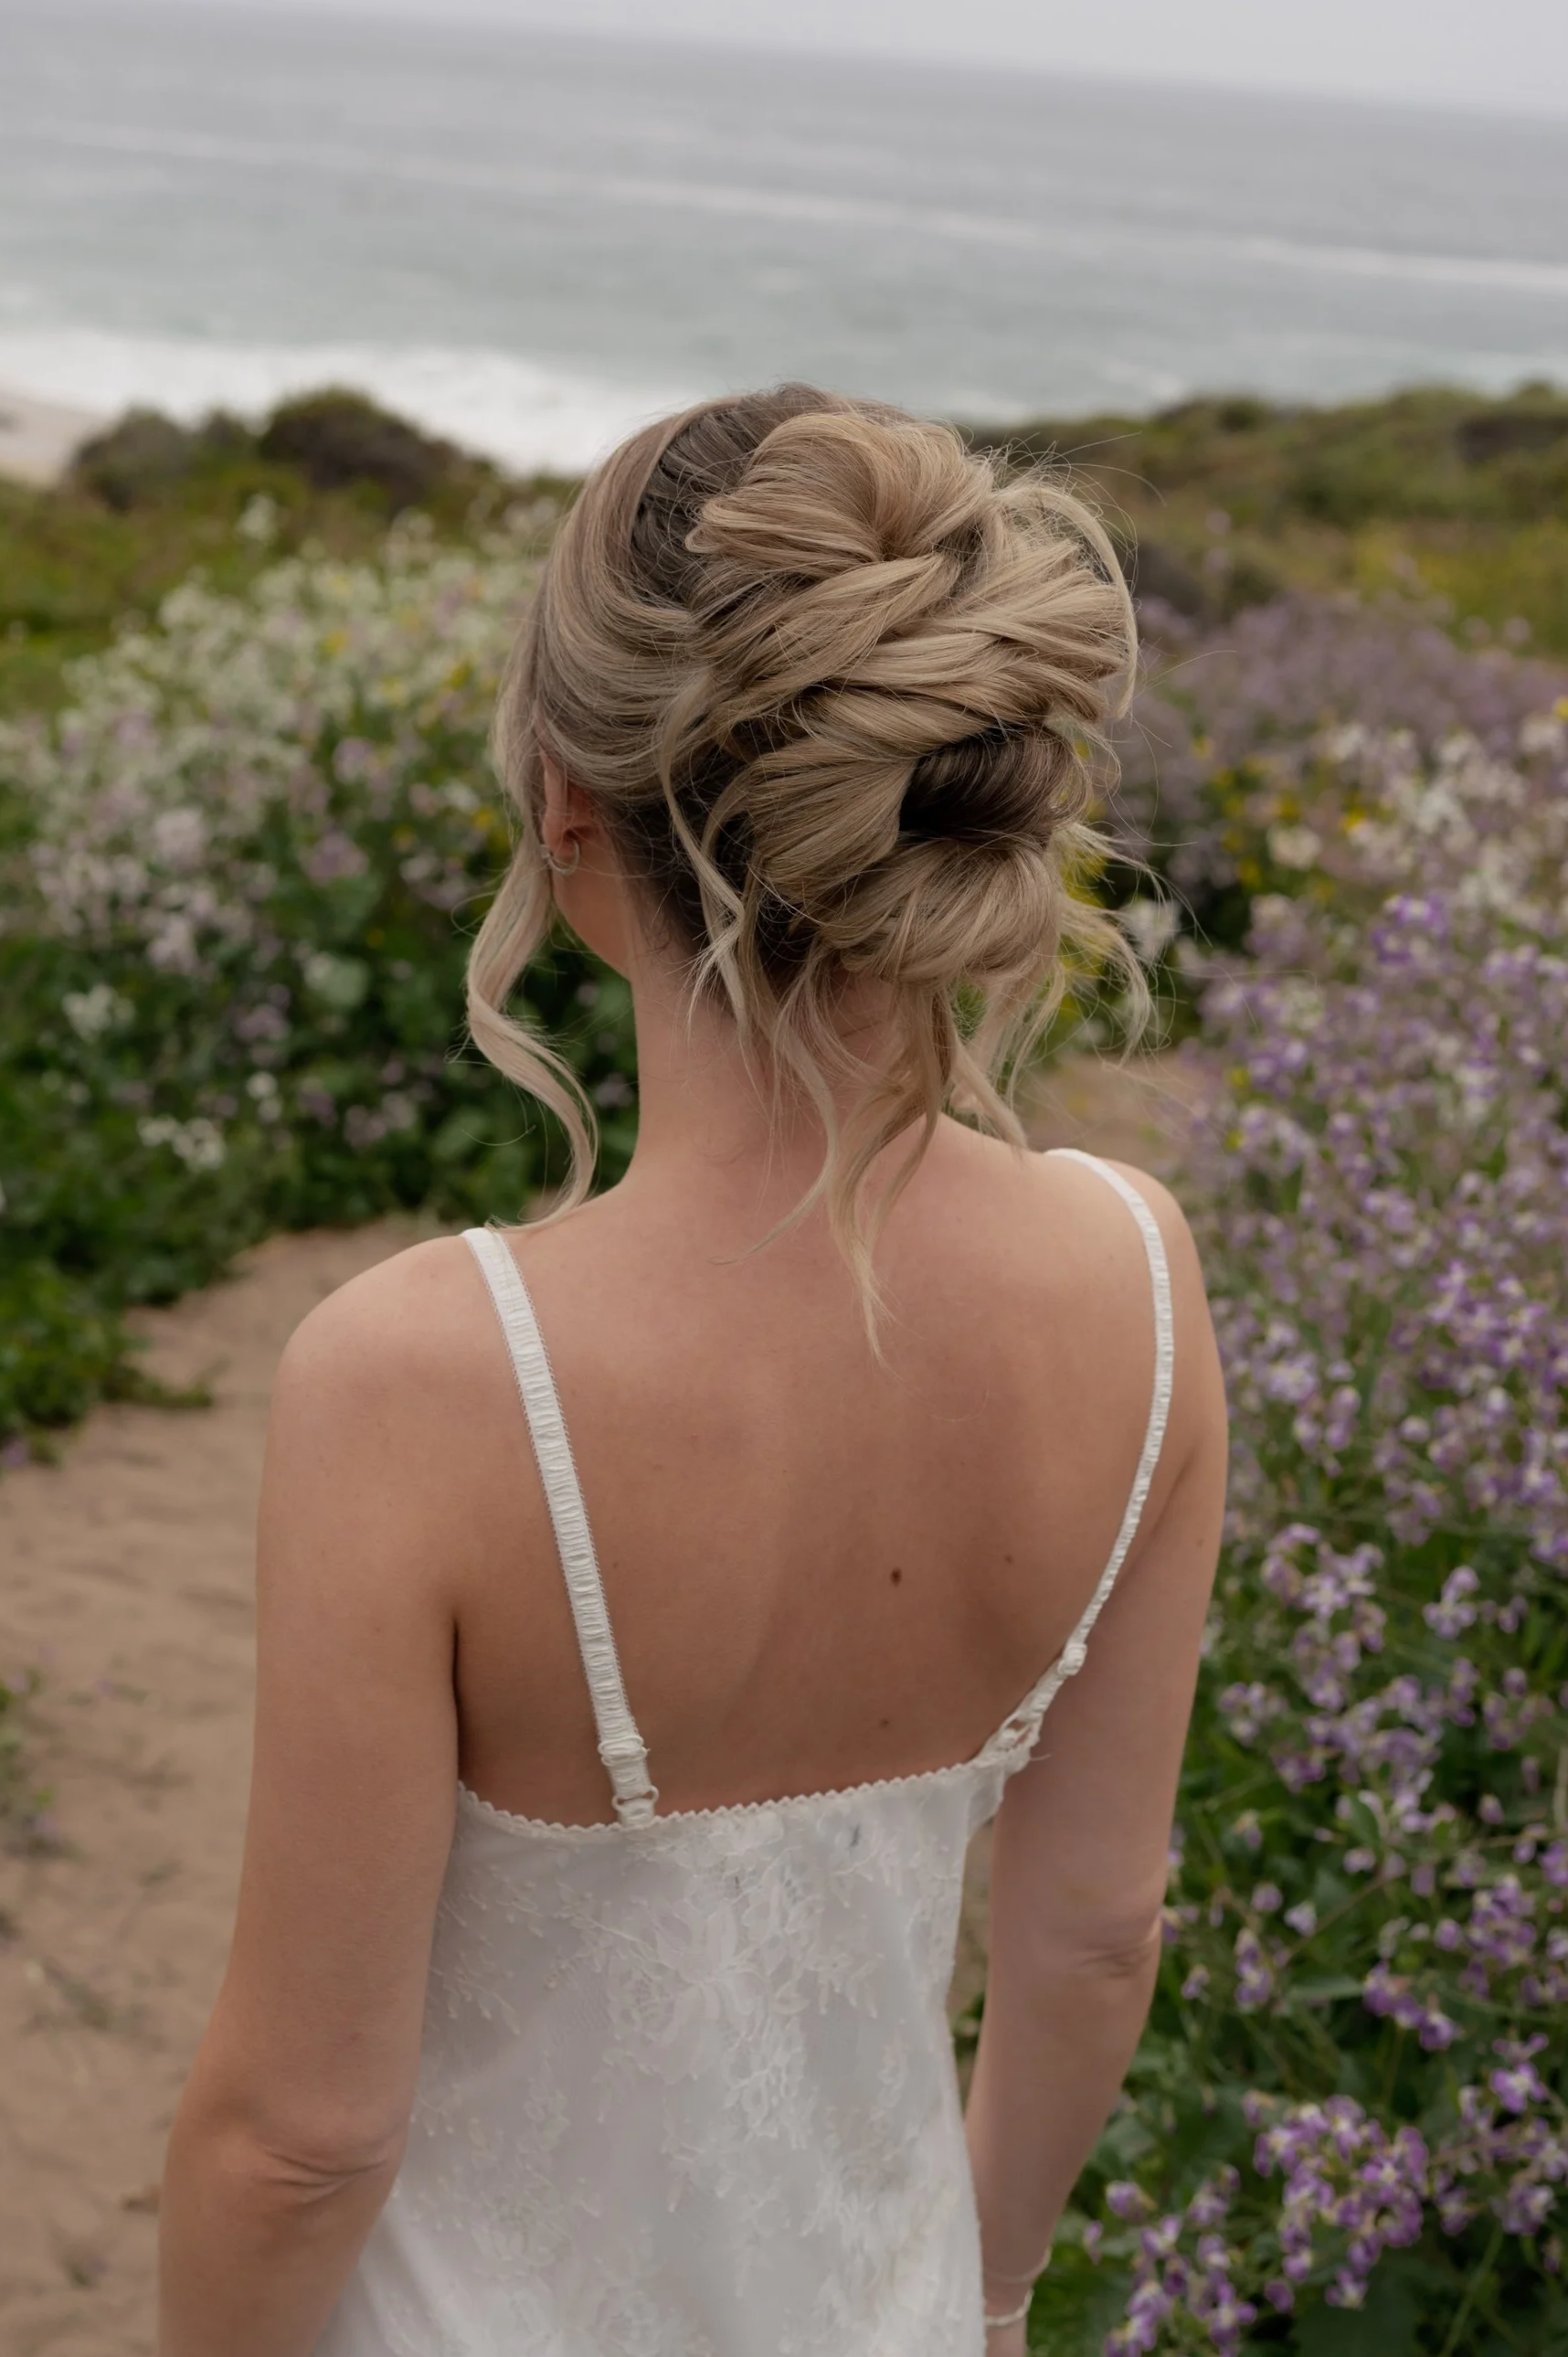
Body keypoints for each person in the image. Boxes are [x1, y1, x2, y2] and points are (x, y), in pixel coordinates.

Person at [157, 387, 1228, 2357]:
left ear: (566, 798)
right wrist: (977, 2295)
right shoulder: (1138, 1283)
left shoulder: (421, 1378)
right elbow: (1090, 1936)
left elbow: (299, 2138)